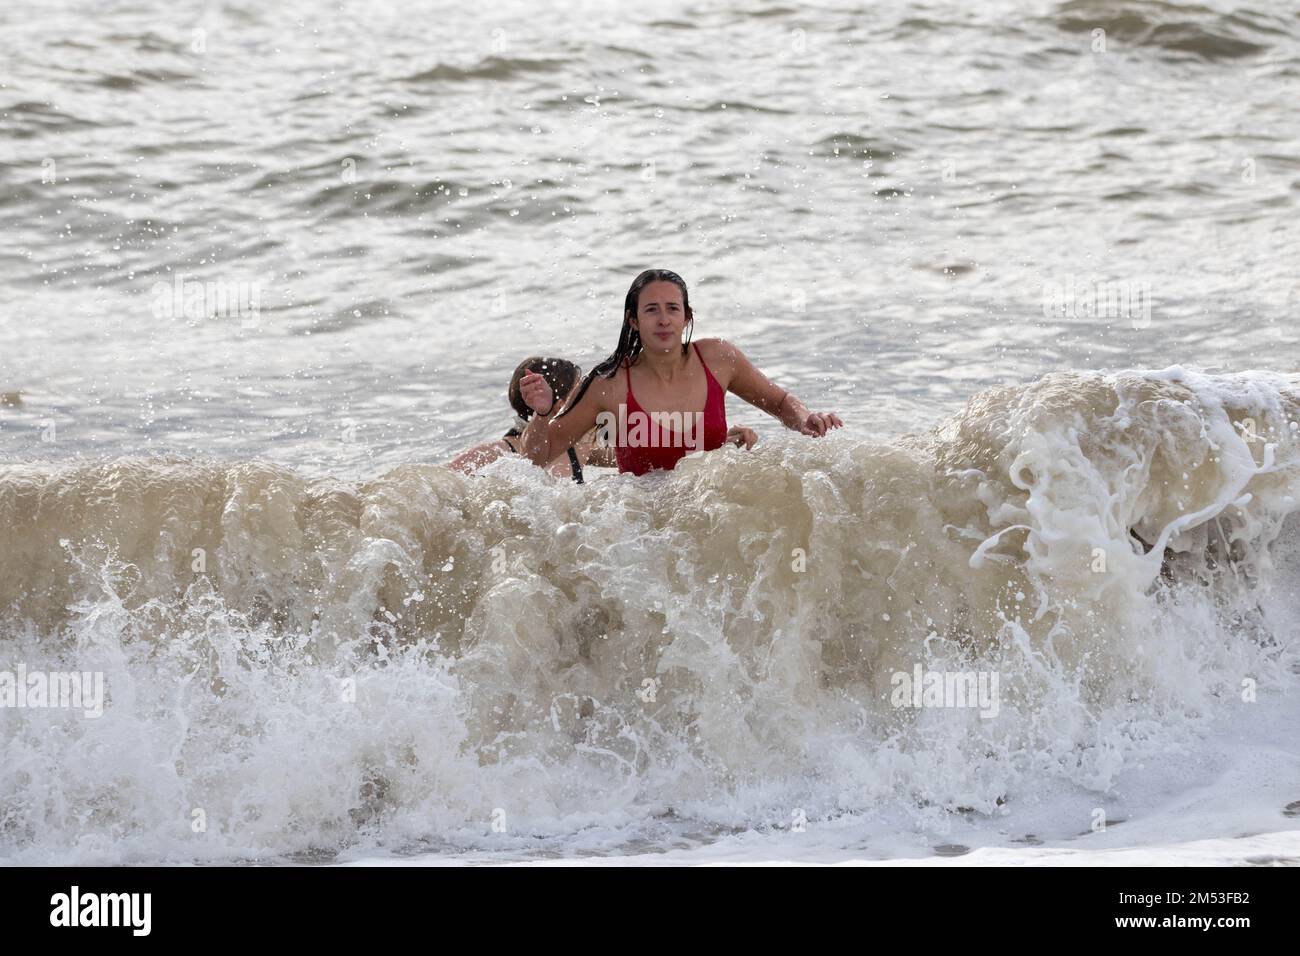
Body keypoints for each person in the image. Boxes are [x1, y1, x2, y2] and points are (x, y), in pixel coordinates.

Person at [517, 269, 841, 475]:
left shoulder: (718, 358)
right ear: (633, 320)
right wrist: (543, 414)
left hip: (711, 511)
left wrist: (805, 419)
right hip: (646, 528)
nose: (663, 320)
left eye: (673, 309)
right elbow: (539, 456)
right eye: (651, 310)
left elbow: (781, 403)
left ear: (687, 317)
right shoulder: (610, 383)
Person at [448, 357, 614, 480]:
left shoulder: (580, 447)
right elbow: (436, 483)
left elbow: (630, 457)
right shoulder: (493, 454)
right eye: (578, 394)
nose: (584, 401)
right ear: (560, 407)